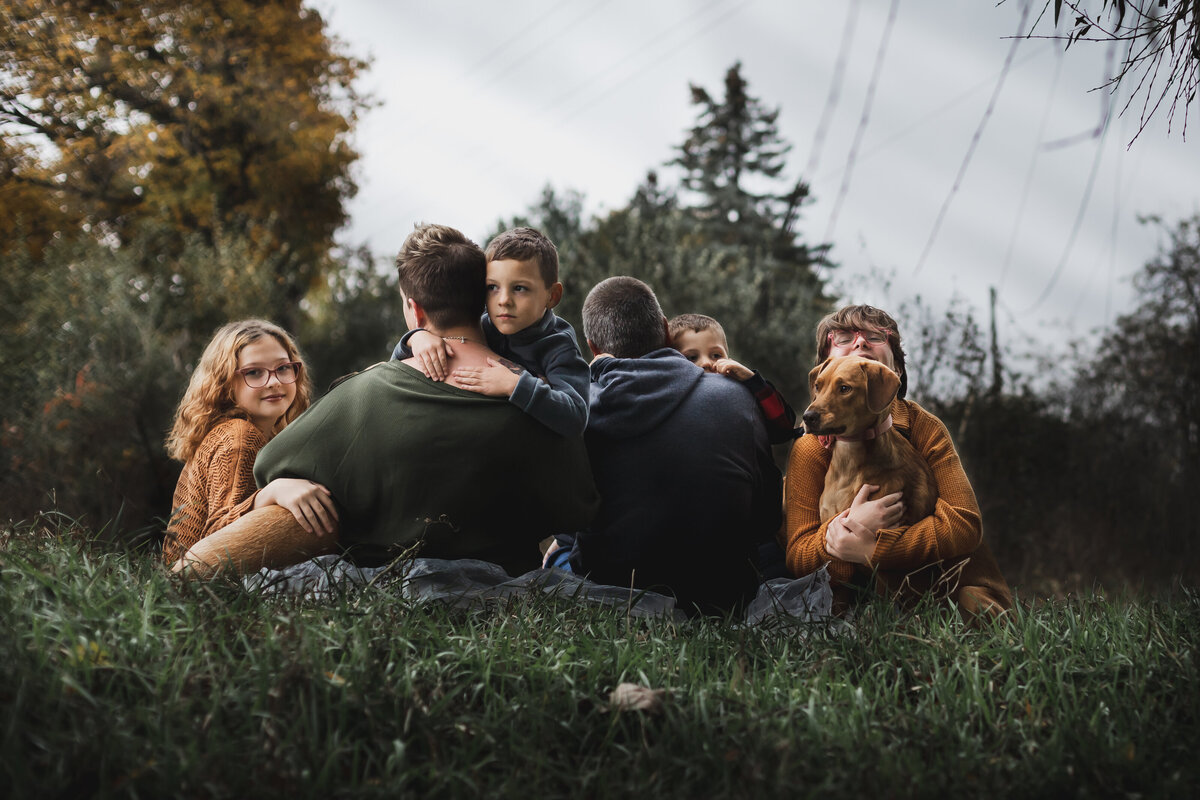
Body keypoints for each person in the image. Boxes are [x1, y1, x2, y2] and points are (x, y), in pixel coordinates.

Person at [174, 224, 598, 578]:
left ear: (413, 309)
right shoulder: (542, 402)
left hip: (381, 583)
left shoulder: (361, 396)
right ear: (482, 298)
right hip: (505, 590)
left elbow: (268, 467)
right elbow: (577, 504)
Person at [553, 277, 782, 616]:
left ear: (592, 346)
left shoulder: (576, 409)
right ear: (665, 331)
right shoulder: (738, 397)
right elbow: (766, 518)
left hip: (609, 593)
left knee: (560, 552)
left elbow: (562, 515)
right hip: (723, 596)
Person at [784, 305, 1012, 620]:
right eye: (844, 337)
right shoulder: (811, 448)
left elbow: (963, 525)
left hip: (957, 594)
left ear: (895, 374)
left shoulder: (924, 428)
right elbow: (798, 555)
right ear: (821, 372)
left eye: (875, 337)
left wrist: (874, 549)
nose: (860, 344)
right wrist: (842, 536)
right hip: (872, 603)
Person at [163, 319, 338, 564]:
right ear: (224, 383)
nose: (274, 381)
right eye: (254, 372)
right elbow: (219, 539)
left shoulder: (268, 433)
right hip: (193, 588)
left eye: (283, 368)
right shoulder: (238, 437)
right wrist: (273, 492)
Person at [392, 227, 589, 438]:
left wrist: (514, 385)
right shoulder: (483, 324)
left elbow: (577, 417)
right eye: (492, 287)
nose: (503, 300)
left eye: (519, 288)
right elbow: (397, 366)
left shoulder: (559, 345)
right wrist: (415, 338)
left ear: (552, 296)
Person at [667, 313, 799, 444]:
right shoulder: (671, 397)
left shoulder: (746, 388)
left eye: (716, 355)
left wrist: (753, 380)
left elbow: (784, 429)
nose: (706, 363)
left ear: (728, 358)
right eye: (692, 357)